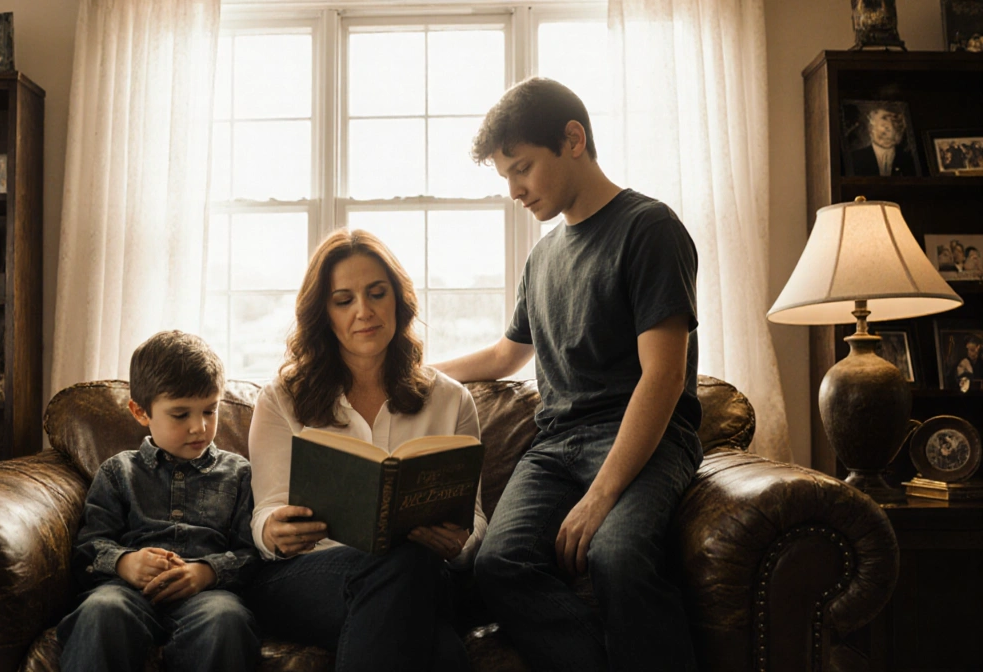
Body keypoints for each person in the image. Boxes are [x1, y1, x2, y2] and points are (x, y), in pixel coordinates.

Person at [432, 77, 702, 671]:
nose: (513, 190)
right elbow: (506, 356)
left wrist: (601, 494)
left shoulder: (650, 228)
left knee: (618, 554)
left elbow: (662, 377)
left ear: (573, 139)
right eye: (505, 175)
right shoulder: (543, 255)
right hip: (554, 447)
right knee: (498, 565)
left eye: (522, 168)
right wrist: (416, 372)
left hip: (643, 436)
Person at [246, 228, 488, 672]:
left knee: (419, 589)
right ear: (324, 314)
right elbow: (266, 513)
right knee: (432, 629)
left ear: (398, 299)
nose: (364, 311)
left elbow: (472, 520)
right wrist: (273, 532)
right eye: (344, 300)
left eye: (377, 293)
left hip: (419, 576)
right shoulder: (281, 397)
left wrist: (460, 542)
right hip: (307, 579)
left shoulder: (451, 400)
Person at [56, 331, 260, 672]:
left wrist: (207, 572)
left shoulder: (238, 473)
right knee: (101, 610)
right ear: (140, 411)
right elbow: (89, 547)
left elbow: (252, 554)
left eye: (210, 410)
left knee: (227, 619)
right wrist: (126, 563)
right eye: (181, 415)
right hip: (126, 592)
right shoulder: (118, 472)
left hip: (206, 596)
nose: (200, 427)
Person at [849, 104, 918, 176]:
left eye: (895, 120)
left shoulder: (910, 160)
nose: (891, 127)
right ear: (870, 125)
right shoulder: (855, 159)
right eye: (884, 118)